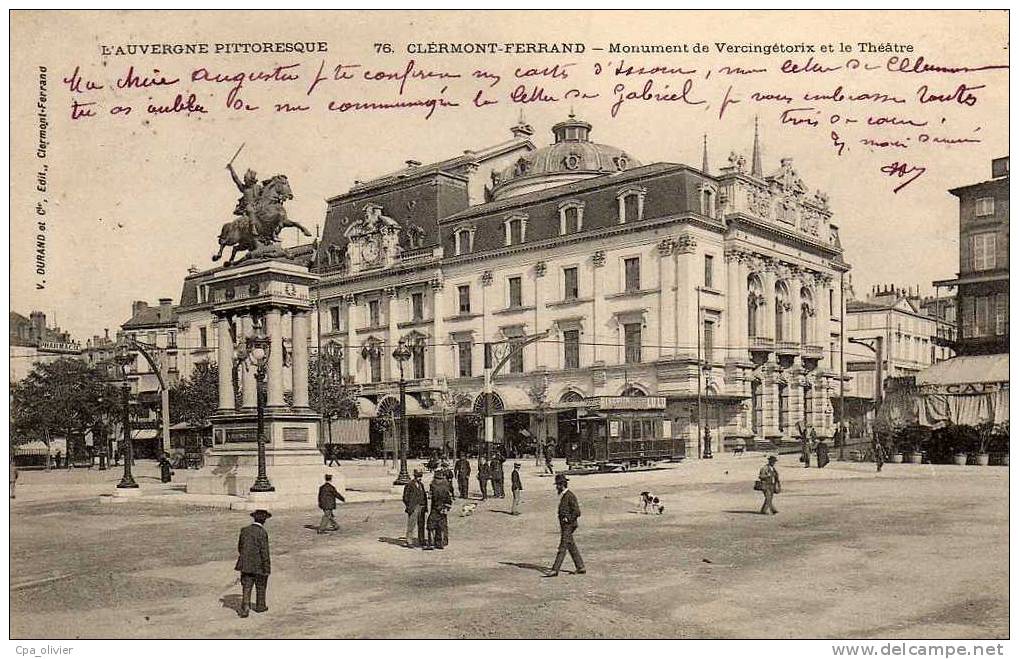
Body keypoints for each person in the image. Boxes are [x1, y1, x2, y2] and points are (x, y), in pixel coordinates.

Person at [545, 473, 585, 577]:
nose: (556, 487)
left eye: (557, 485)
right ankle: (580, 567)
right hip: (565, 525)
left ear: (562, 485)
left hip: (569, 525)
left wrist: (569, 519)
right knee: (571, 545)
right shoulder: (565, 495)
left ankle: (555, 569)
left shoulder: (569, 496)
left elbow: (577, 511)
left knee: (562, 547)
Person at [235, 509, 272, 618]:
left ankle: (245, 607)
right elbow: (264, 551)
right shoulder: (262, 533)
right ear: (264, 521)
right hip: (259, 564)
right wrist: (267, 567)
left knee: (246, 586)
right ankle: (260, 606)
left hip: (245, 564)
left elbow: (240, 547)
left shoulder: (244, 530)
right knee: (261, 585)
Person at [427, 468, 453, 549]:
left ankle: (432, 542)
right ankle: (442, 542)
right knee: (442, 525)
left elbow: (434, 498)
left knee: (431, 525)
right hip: (443, 508)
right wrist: (446, 507)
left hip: (436, 508)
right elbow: (449, 498)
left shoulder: (434, 486)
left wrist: (439, 507)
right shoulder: (446, 486)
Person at [402, 469, 428, 548]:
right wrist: (409, 506)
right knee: (411, 525)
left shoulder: (421, 485)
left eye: (420, 477)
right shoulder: (409, 485)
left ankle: (421, 540)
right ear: (415, 477)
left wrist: (425, 506)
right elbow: (405, 497)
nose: (420, 478)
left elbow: (424, 496)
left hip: (421, 506)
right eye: (418, 477)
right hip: (413, 507)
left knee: (421, 524)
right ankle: (409, 541)